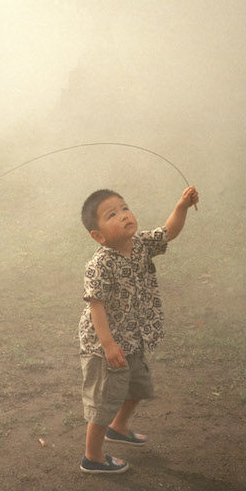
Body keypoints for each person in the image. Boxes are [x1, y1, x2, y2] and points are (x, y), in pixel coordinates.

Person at [77, 185, 200, 475]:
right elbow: (96, 306)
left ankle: (118, 428)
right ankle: (92, 457)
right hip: (104, 344)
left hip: (134, 337)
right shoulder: (100, 264)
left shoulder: (141, 244)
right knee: (104, 402)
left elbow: (169, 231)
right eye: (112, 215)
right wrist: (108, 345)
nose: (123, 215)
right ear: (99, 235)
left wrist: (181, 206)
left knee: (138, 385)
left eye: (124, 208)